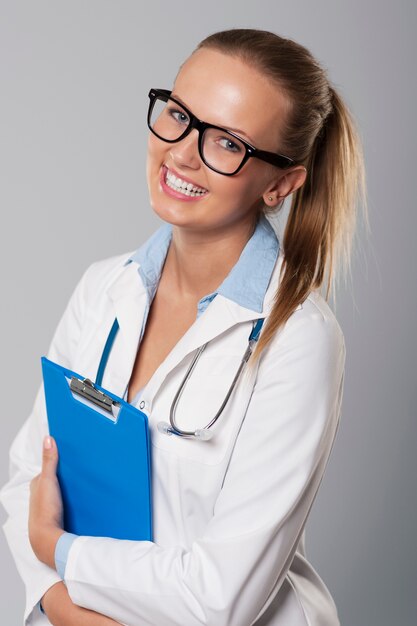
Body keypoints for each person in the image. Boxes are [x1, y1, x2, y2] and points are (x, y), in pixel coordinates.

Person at [0, 28, 366, 626]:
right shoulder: (103, 288)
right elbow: (25, 485)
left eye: (227, 143)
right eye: (178, 114)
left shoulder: (299, 339)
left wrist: (58, 550)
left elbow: (221, 597)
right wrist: (58, 600)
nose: (182, 153)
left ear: (280, 183)